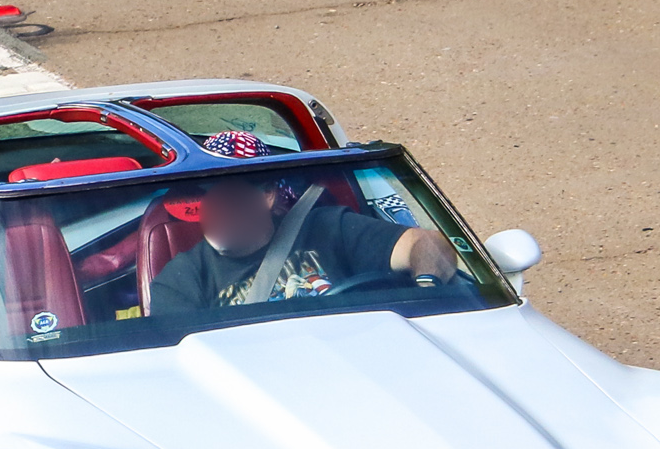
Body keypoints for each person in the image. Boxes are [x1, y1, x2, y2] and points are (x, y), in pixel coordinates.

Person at [148, 132, 461, 313]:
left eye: (228, 196)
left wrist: (428, 288)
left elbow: (426, 244)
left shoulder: (329, 227)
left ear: (267, 195)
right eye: (203, 199)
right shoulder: (178, 281)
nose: (213, 210)